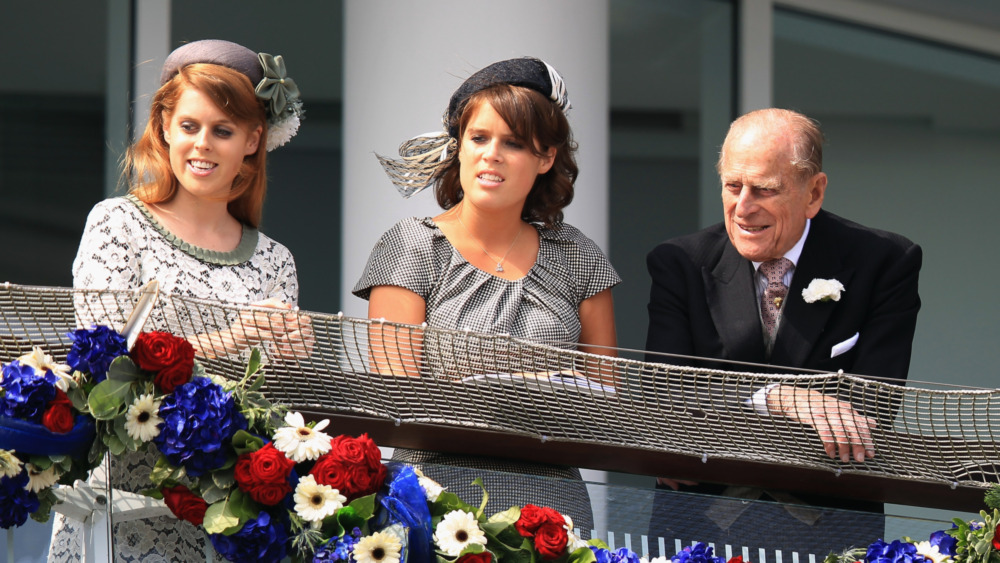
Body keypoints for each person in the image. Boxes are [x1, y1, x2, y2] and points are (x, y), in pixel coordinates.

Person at [49, 39, 308, 562]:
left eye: (224, 130)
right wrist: (236, 337)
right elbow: (105, 367)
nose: (203, 144)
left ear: (254, 139)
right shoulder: (118, 224)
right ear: (164, 126)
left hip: (226, 521)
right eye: (190, 126)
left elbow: (269, 409)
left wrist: (293, 360)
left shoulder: (275, 260)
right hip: (118, 514)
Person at [353, 57, 620, 531]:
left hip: (553, 511)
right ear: (458, 148)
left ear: (546, 157)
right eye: (479, 138)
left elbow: (604, 402)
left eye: (513, 143)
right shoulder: (412, 245)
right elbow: (399, 401)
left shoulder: (578, 255)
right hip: (433, 503)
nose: (491, 154)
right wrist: (532, 385)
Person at [644, 108, 922, 553]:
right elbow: (667, 402)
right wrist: (783, 398)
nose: (744, 206)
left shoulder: (884, 263)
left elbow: (871, 413)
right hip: (699, 535)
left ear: (814, 193)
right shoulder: (680, 263)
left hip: (832, 535)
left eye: (765, 190)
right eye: (732, 186)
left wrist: (729, 415)